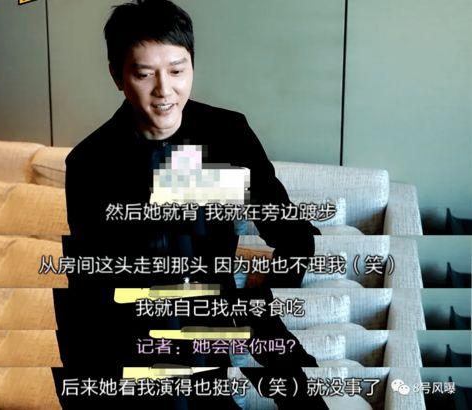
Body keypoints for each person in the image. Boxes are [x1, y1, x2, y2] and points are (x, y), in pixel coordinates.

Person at [52, 1, 328, 408]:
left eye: (177, 71)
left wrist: (263, 292)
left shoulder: (228, 133)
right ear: (117, 75)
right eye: (144, 74)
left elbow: (293, 233)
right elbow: (93, 284)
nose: (164, 90)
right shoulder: (89, 163)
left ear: (193, 66)